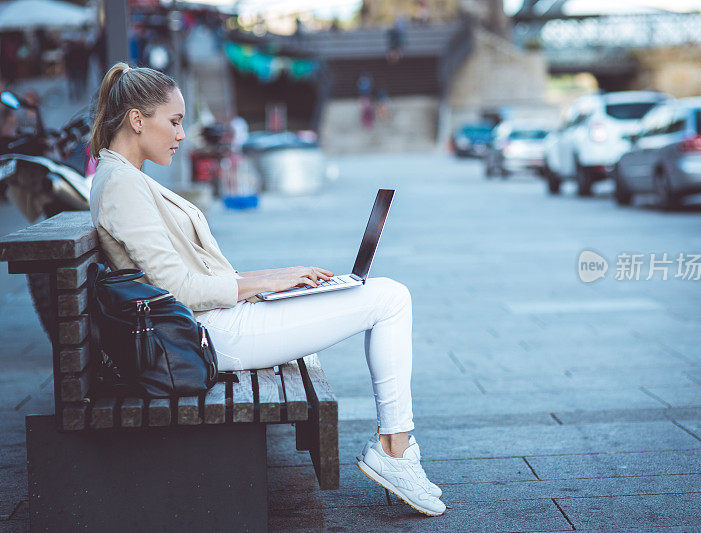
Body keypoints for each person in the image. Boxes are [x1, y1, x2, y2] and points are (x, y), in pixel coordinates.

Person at [87, 63, 446, 517]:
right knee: (391, 298)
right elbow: (176, 288)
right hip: (213, 335)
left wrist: (276, 281)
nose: (182, 134)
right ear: (138, 120)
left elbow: (182, 278)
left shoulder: (125, 178)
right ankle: (395, 452)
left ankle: (397, 450)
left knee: (381, 294)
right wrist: (267, 282)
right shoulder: (121, 185)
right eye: (174, 121)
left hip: (218, 324)